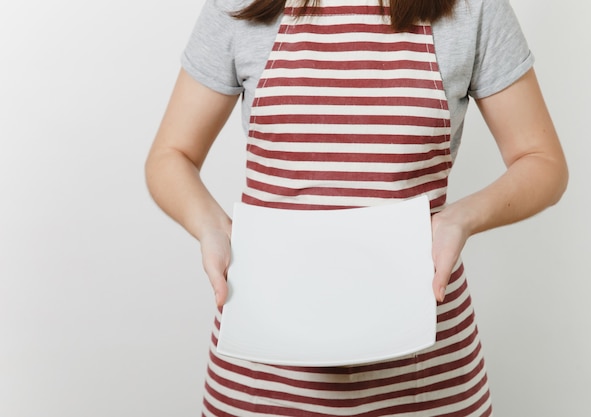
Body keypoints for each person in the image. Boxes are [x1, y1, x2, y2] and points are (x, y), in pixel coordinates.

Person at [145, 0, 568, 415]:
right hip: (260, 379)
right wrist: (212, 227)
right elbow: (171, 155)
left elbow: (542, 161)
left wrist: (460, 219)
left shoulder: (474, 9)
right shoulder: (239, 5)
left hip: (427, 376)